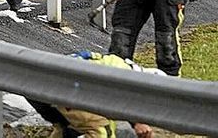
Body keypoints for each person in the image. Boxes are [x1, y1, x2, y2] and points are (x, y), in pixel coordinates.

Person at [27, 51, 156, 138]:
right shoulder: (128, 77)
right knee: (103, 130)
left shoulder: (116, 63)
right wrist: (137, 123)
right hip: (64, 90)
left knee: (70, 126)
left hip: (38, 85)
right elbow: (121, 99)